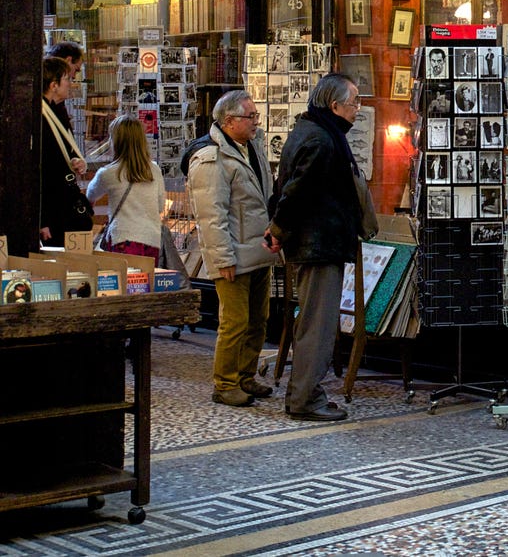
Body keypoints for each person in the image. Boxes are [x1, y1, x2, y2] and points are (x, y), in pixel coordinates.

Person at [267, 73, 364, 422]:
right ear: (334, 105)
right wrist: (278, 227)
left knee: (312, 322)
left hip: (315, 242)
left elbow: (287, 188)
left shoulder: (309, 131)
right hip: (319, 245)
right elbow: (297, 192)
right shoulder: (323, 140)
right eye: (354, 103)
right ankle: (305, 397)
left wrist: (278, 228)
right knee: (317, 325)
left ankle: (307, 392)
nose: (357, 110)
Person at [187, 90, 278, 408]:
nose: (256, 122)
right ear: (228, 121)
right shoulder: (211, 159)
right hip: (234, 255)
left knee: (257, 319)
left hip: (258, 251)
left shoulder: (251, 148)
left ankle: (245, 375)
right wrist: (222, 257)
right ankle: (225, 383)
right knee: (235, 321)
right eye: (249, 117)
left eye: (255, 116)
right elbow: (211, 216)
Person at [86, 115, 165, 259]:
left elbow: (90, 196)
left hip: (123, 238)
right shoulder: (154, 170)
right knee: (146, 280)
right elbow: (160, 206)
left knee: (124, 281)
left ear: (116, 142)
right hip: (152, 239)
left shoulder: (109, 173)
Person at [40, 57, 92, 247]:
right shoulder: (42, 117)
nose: (71, 84)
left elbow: (64, 151)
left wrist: (75, 160)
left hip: (61, 200)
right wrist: (43, 219)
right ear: (54, 85)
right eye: (67, 79)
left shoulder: (55, 111)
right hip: (53, 206)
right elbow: (41, 168)